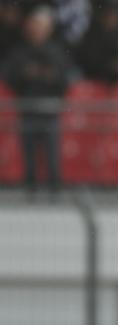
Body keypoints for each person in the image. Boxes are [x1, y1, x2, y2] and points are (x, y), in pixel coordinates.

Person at [3, 7, 71, 189]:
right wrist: (28, 75)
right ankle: (30, 193)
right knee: (29, 157)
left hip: (50, 110)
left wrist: (44, 75)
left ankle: (54, 193)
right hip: (28, 109)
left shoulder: (56, 51)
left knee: (52, 158)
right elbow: (11, 77)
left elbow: (63, 79)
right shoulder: (20, 51)